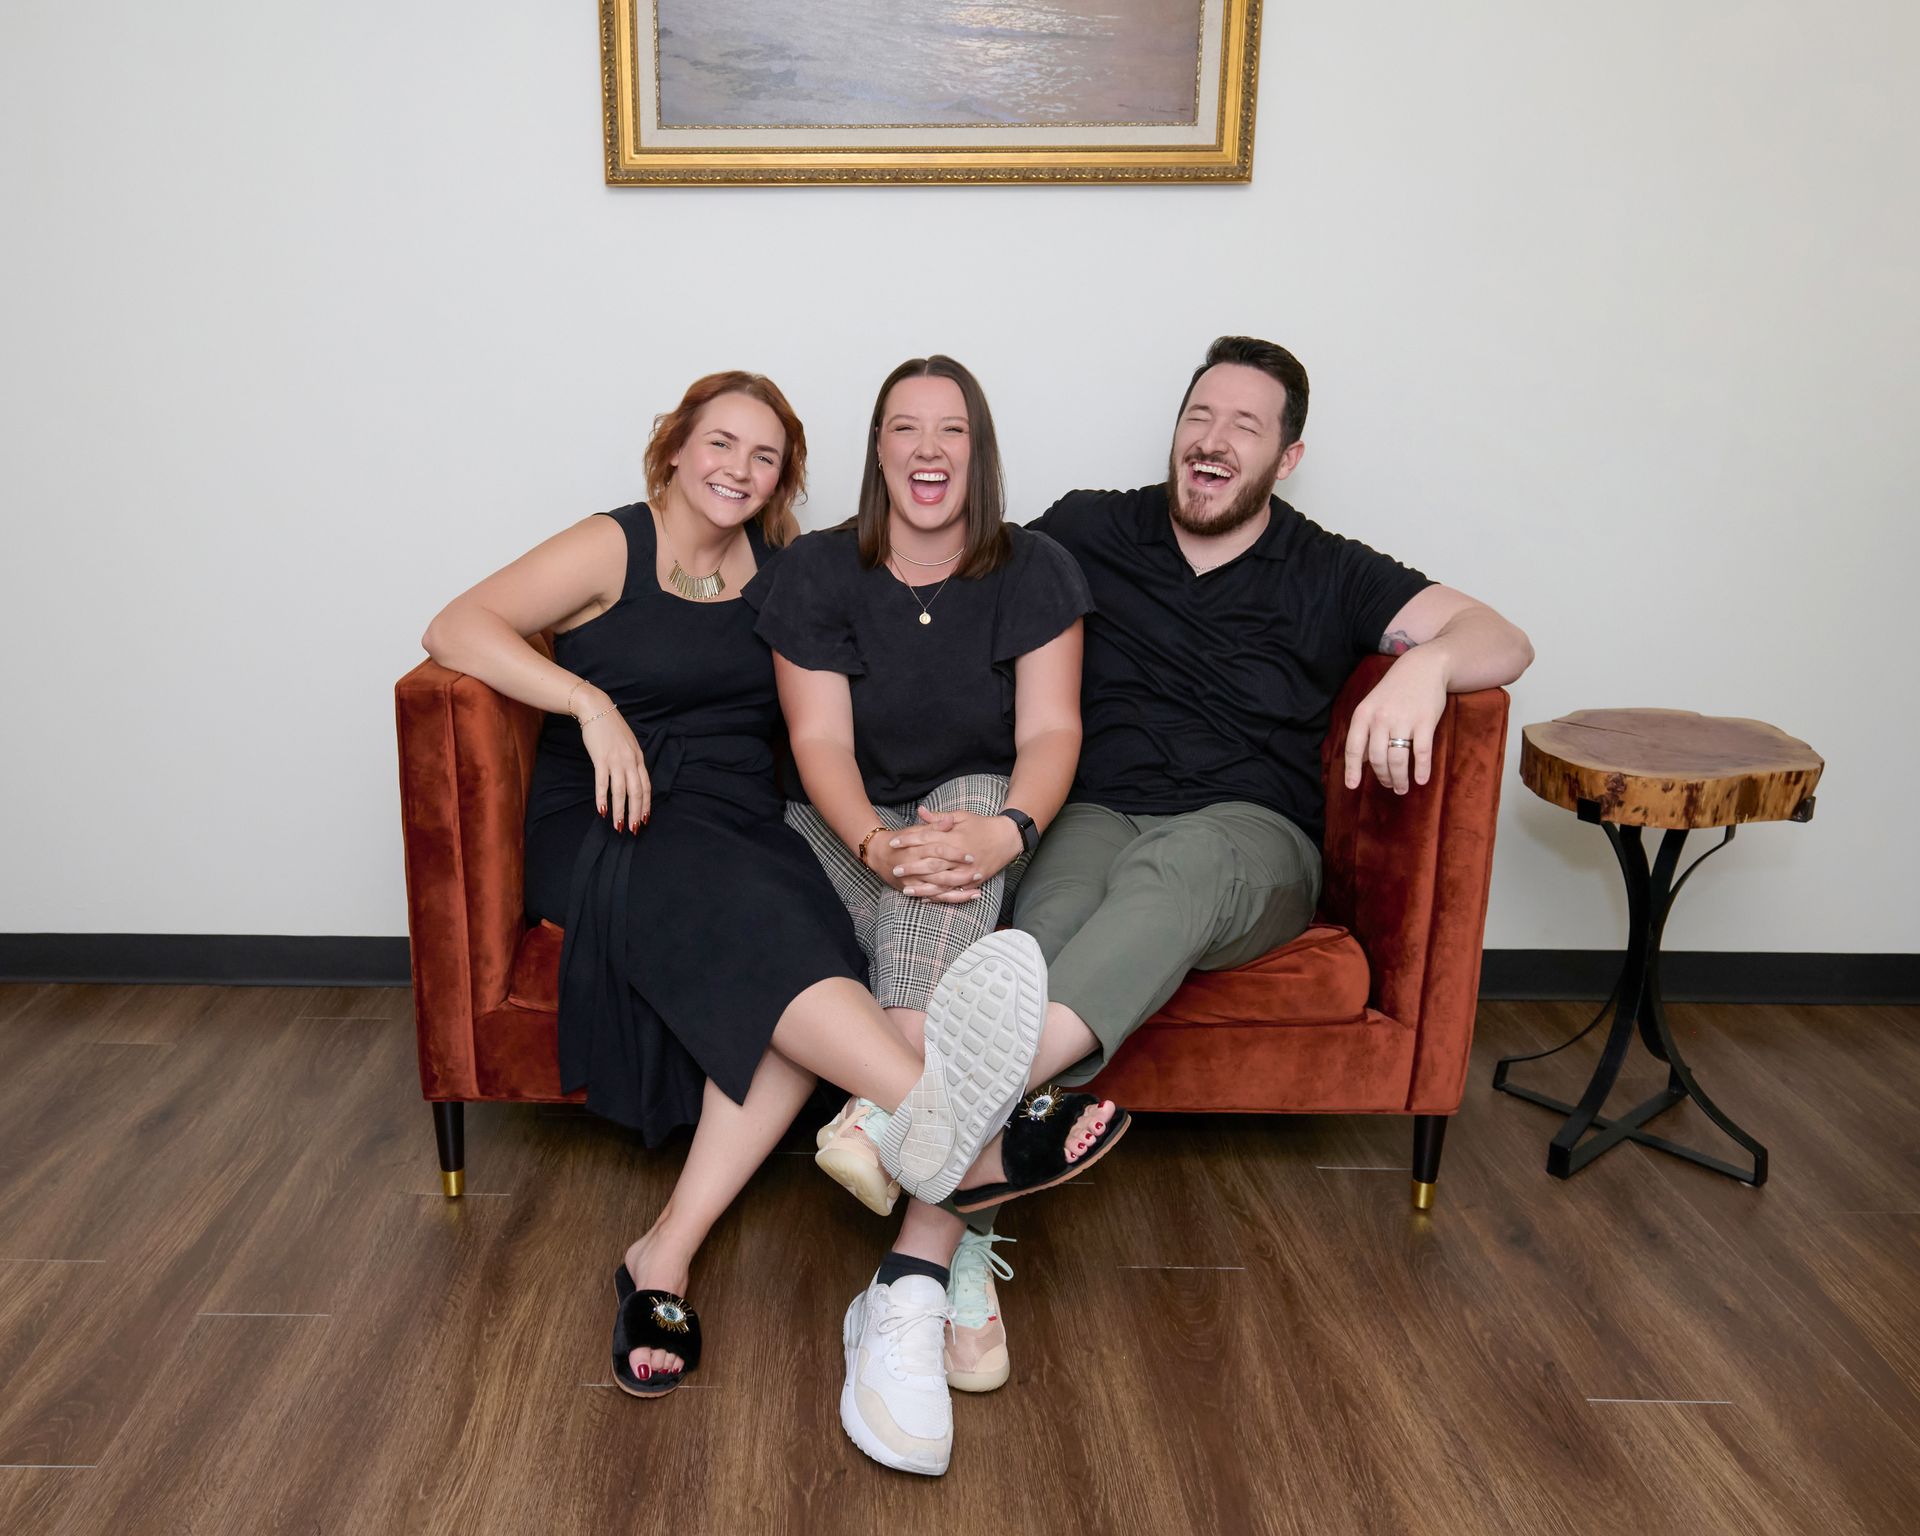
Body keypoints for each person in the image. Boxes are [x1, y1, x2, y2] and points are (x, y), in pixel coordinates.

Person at [419, 371, 1049, 1426]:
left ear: (781, 480)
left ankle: (663, 1251)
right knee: (761, 933)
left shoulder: (783, 567)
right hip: (614, 819)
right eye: (720, 443)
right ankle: (968, 1135)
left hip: (739, 822)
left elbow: (847, 690)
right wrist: (587, 704)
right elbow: (454, 625)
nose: (738, 470)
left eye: (764, 457)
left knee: (795, 948)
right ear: (675, 448)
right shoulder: (612, 545)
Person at [963, 335, 1537, 1406]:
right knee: (1042, 929)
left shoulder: (1330, 569)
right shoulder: (1089, 528)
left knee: (1175, 869)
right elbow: (965, 592)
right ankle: (952, 1256)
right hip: (1099, 811)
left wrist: (1428, 668)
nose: (1213, 441)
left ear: (1287, 456)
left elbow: (1503, 638)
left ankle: (944, 1097)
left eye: (1244, 425)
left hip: (1248, 838)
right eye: (1200, 416)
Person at [745, 355, 1126, 1474]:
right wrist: (875, 841)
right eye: (903, 428)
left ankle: (887, 1125)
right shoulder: (818, 570)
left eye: (950, 430)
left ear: (978, 449)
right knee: (941, 906)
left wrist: (1009, 828)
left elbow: (1051, 732)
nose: (926, 449)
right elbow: (818, 740)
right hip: (840, 824)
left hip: (975, 820)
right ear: (877, 450)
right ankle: (958, 1181)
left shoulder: (1035, 568)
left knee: (958, 820)